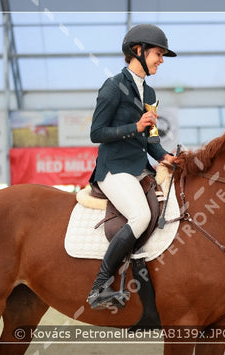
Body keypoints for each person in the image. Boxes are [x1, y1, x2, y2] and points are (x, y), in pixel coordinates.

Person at [86, 24, 177, 309]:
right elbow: (96, 133)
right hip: (114, 169)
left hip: (141, 168)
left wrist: (165, 157)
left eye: (162, 55)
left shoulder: (149, 94)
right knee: (139, 216)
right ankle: (99, 286)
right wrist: (133, 126)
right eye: (158, 54)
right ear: (138, 51)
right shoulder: (113, 87)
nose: (161, 60)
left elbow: (151, 139)